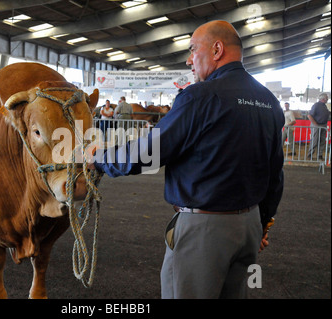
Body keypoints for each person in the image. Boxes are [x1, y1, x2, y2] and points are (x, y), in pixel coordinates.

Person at [89, 20, 284, 299]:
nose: (189, 59)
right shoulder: (268, 100)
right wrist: (262, 224)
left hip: (205, 230)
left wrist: (100, 158)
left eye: (193, 49)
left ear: (217, 49)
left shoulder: (200, 97)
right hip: (249, 228)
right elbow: (275, 173)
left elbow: (150, 151)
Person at [307, 93, 330, 160]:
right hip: (317, 125)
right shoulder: (316, 105)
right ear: (323, 99)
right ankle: (310, 154)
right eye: (326, 98)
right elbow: (309, 115)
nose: (327, 99)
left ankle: (319, 154)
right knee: (315, 140)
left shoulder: (324, 106)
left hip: (323, 125)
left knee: (322, 140)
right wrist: (315, 124)